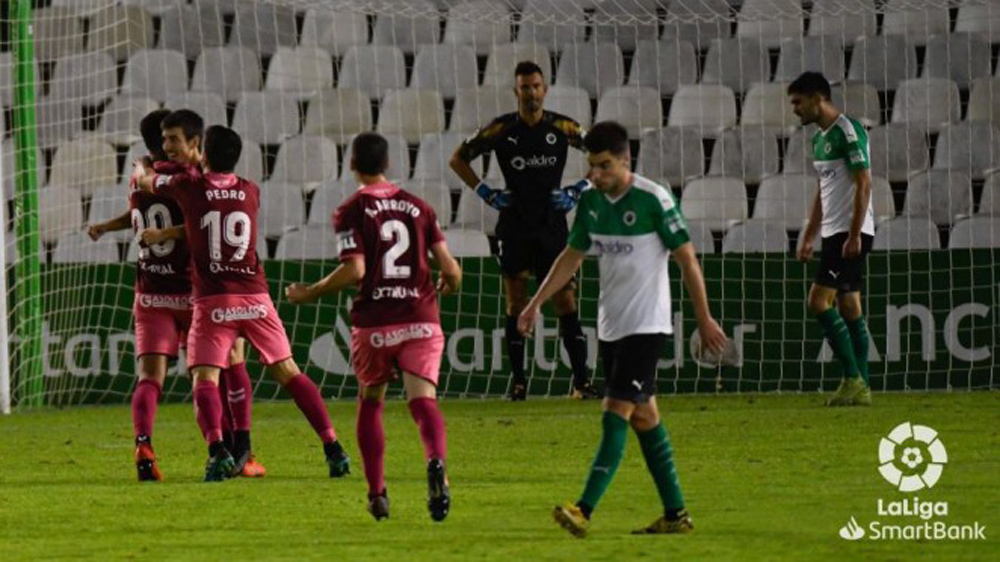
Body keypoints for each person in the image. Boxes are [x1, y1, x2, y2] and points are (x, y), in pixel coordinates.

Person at [517, 121, 728, 537]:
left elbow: (687, 259)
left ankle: (584, 508)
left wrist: (703, 318)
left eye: (605, 166)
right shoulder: (592, 203)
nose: (596, 175)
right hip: (611, 326)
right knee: (645, 417)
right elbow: (571, 258)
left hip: (646, 325)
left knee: (614, 412)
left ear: (626, 161)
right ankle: (676, 515)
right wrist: (534, 303)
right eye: (592, 167)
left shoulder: (653, 199)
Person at [133, 120, 350, 481]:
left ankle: (218, 451)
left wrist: (142, 167)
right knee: (290, 373)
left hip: (214, 301)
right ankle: (334, 448)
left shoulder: (189, 187)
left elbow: (146, 182)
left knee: (204, 378)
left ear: (202, 150)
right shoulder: (250, 190)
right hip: (256, 298)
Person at [286, 132, 462, 522]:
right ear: (388, 164)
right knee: (423, 402)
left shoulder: (350, 210)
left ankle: (377, 492)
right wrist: (452, 280)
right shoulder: (419, 207)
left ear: (351, 164)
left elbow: (356, 269)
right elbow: (450, 268)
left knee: (370, 402)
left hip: (375, 324)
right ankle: (436, 464)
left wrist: (311, 292)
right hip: (420, 318)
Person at [86, 109, 263, 480]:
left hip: (150, 291)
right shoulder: (188, 178)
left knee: (149, 377)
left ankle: (143, 445)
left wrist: (105, 225)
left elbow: (140, 214)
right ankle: (234, 452)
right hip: (193, 291)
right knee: (226, 368)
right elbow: (200, 223)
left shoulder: (139, 177)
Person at [450, 60, 597, 401]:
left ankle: (581, 382)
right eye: (525, 87)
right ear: (515, 91)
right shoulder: (500, 130)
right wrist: (484, 191)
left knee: (565, 299)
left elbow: (603, 154)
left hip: (552, 224)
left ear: (544, 89)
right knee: (515, 301)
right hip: (514, 224)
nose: (531, 93)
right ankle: (518, 384)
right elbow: (458, 158)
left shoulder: (562, 126)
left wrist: (580, 188)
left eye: (536, 86)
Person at [789, 72, 874, 407]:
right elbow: (824, 191)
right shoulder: (819, 139)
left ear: (817, 98)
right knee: (849, 306)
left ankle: (853, 377)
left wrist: (853, 234)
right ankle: (861, 386)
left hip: (848, 233)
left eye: (798, 102)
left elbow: (864, 183)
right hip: (833, 232)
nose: (795, 110)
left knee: (817, 302)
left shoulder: (848, 131)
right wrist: (810, 234)